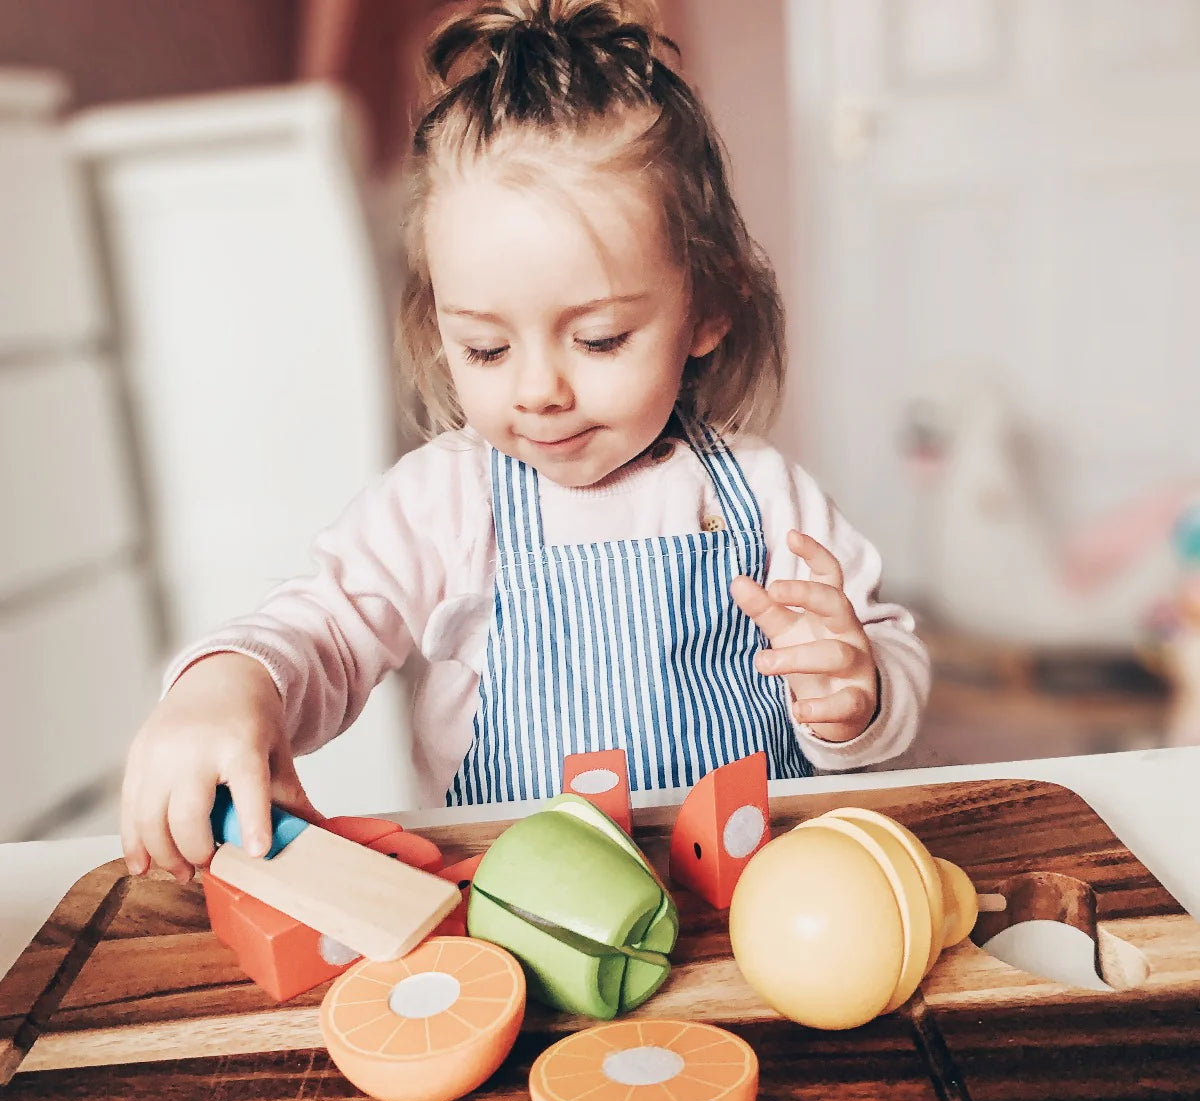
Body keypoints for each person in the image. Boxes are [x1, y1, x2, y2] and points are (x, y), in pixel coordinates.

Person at [121, 0, 930, 884]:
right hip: (528, 923)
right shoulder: (445, 502)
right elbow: (324, 624)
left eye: (599, 339)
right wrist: (230, 683)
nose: (539, 390)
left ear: (708, 306)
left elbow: (880, 646)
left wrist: (859, 698)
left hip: (752, 904)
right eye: (487, 348)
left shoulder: (766, 497)